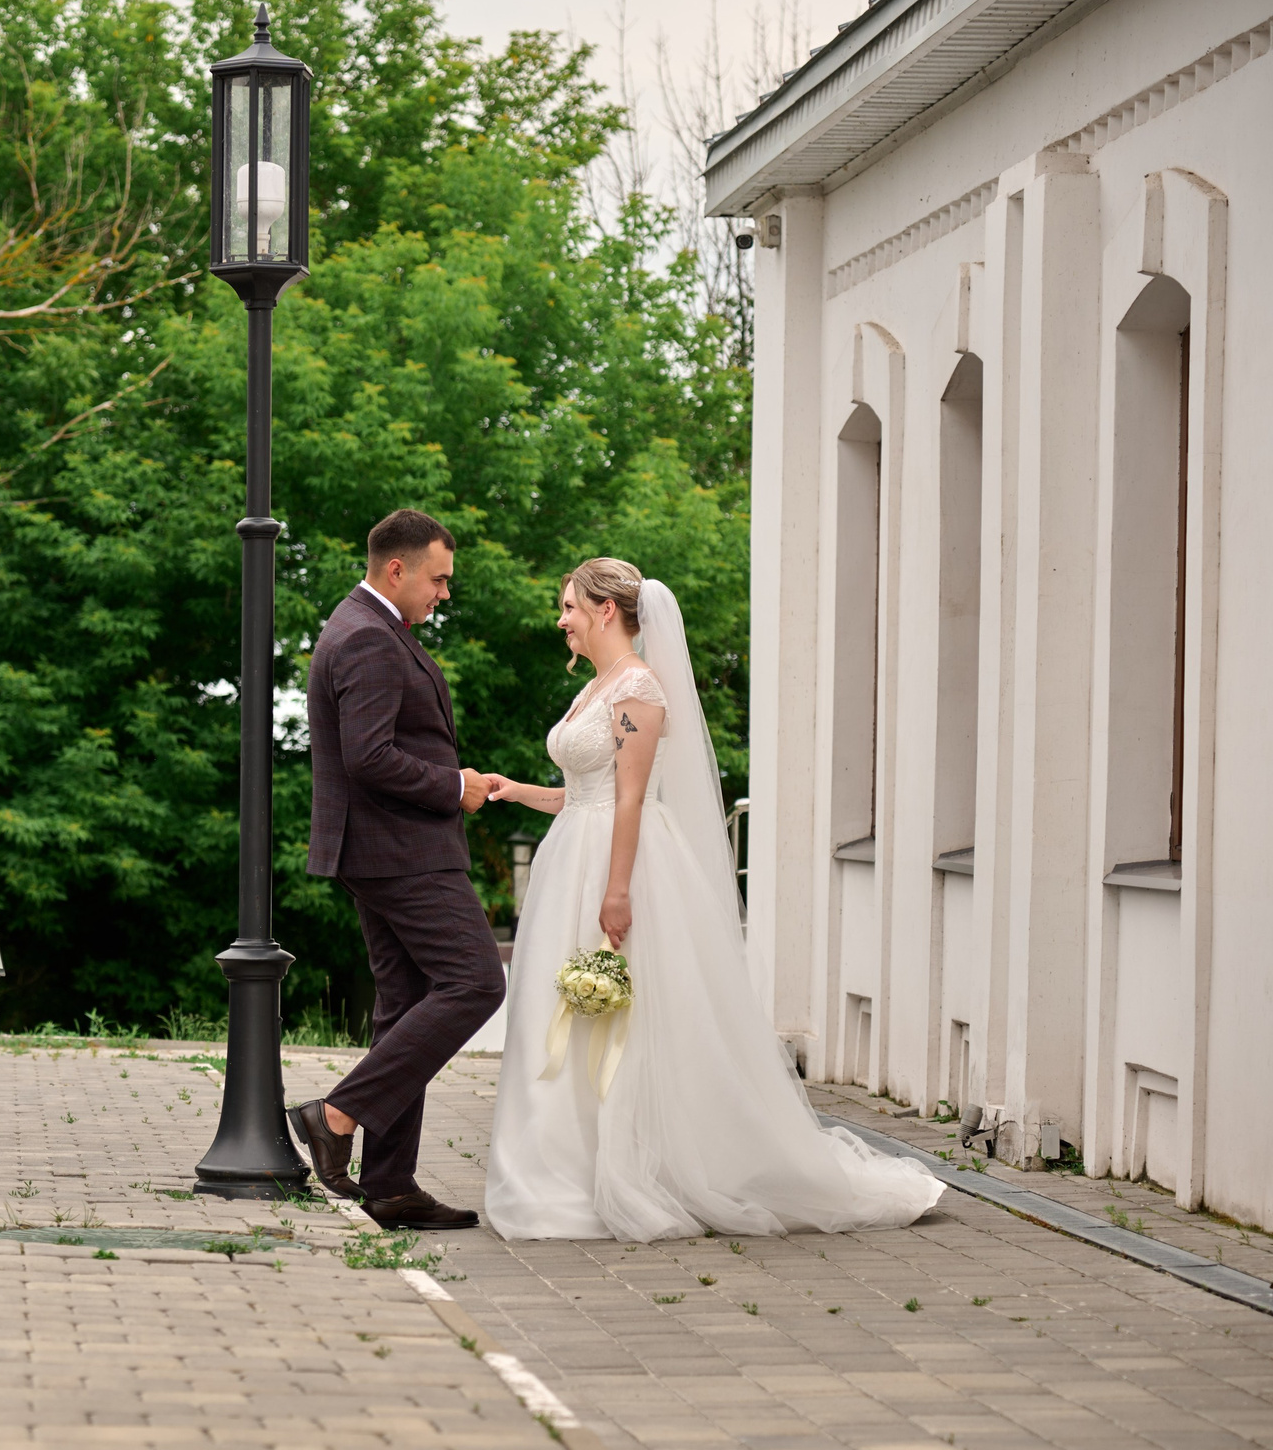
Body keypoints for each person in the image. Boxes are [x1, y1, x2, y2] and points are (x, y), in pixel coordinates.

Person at [478, 558, 941, 1240]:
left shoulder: (638, 689)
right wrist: (515, 790)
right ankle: (565, 1165)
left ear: (607, 610)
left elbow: (631, 797)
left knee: (623, 1024)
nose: (562, 618)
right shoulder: (598, 687)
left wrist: (617, 890)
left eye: (570, 605)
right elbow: (586, 793)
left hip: (618, 866)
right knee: (568, 1020)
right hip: (572, 860)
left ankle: (637, 1165)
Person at [288, 509, 501, 1231]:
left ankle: (389, 1184)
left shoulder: (365, 627)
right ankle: (334, 1112)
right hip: (400, 851)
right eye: (439, 578)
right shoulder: (368, 639)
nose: (444, 593)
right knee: (476, 981)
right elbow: (369, 757)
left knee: (406, 1004)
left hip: (381, 849)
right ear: (397, 569)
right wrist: (454, 786)